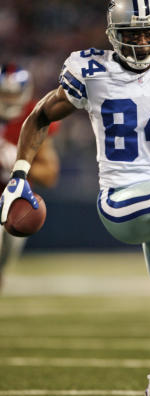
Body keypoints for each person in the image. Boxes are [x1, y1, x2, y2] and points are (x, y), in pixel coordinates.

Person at [0, 1, 150, 396]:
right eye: (133, 34)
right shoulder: (92, 71)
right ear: (114, 35)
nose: (144, 42)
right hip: (120, 199)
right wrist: (20, 174)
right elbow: (39, 116)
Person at [0, 63, 60, 289]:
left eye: (13, 94)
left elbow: (49, 175)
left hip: (14, 204)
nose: (8, 100)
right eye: (3, 93)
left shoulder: (33, 118)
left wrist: (17, 164)